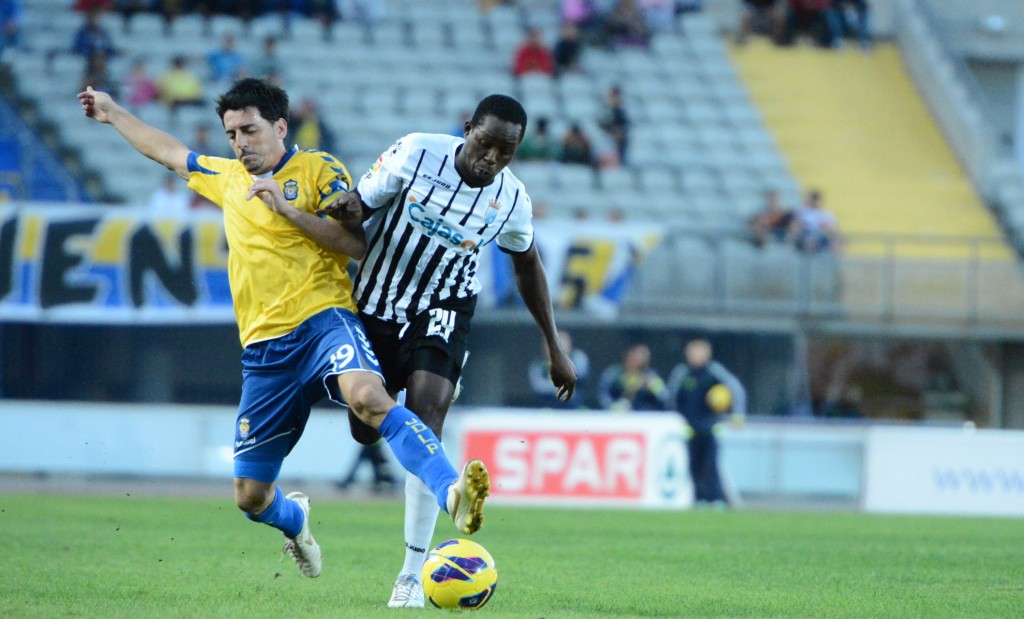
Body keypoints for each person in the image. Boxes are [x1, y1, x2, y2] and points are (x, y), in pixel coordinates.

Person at [77, 78, 491, 580]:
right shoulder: (227, 178)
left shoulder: (320, 170)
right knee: (250, 497)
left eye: (249, 130)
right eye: (231, 134)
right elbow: (170, 151)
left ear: (279, 126)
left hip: (326, 320)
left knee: (368, 397)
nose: (240, 143)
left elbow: (354, 244)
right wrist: (113, 111)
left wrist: (286, 208)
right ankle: (295, 520)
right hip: (265, 352)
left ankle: (451, 491)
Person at [318, 93, 577, 607]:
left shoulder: (512, 200)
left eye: (507, 151)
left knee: (428, 412)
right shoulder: (415, 153)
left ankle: (412, 574)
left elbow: (528, 266)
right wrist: (347, 210)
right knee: (364, 427)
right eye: (486, 144)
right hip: (372, 302)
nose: (493, 159)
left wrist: (554, 343)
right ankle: (397, 453)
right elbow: (361, 207)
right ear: (467, 129)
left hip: (444, 307)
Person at [665, 338, 746, 507]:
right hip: (689, 429)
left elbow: (736, 389)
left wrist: (737, 414)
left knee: (711, 465)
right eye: (693, 351)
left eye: (700, 351)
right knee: (693, 466)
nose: (696, 355)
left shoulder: (714, 372)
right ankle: (697, 499)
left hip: (710, 426)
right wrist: (676, 420)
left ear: (707, 353)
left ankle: (715, 499)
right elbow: (671, 398)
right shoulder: (682, 373)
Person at [528, 329, 590, 409]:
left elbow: (580, 375)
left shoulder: (578, 358)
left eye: (561, 343)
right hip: (550, 410)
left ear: (569, 345)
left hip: (576, 408)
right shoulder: (538, 367)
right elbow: (539, 387)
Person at [597, 343, 666, 411]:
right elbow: (603, 395)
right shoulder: (613, 373)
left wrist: (654, 387)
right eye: (640, 355)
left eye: (646, 356)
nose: (644, 359)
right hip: (616, 416)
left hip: (644, 416)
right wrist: (613, 407)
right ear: (630, 355)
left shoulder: (651, 376)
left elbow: (664, 397)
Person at [793, 188, 839, 253]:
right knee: (809, 240)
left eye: (816, 199)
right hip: (805, 236)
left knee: (836, 241)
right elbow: (796, 226)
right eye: (812, 199)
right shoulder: (802, 212)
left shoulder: (826, 213)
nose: (814, 201)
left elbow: (832, 228)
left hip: (821, 236)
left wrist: (835, 238)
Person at [597, 85, 629, 166]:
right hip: (606, 142)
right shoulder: (604, 111)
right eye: (612, 96)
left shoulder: (622, 113)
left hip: (618, 145)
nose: (615, 99)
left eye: (617, 96)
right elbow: (601, 125)